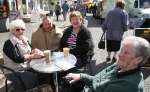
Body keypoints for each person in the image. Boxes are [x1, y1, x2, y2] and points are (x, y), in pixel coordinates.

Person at [65, 36, 150, 92]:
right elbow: (96, 80)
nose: (120, 55)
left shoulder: (127, 86)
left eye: (126, 53)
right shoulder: (119, 66)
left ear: (138, 59)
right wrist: (80, 76)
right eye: (121, 50)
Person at [3, 19, 44, 90]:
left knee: (42, 72)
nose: (20, 31)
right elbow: (17, 59)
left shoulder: (24, 39)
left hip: (25, 67)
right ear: (12, 30)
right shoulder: (9, 43)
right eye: (17, 29)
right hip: (13, 70)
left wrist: (35, 50)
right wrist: (32, 56)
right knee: (31, 77)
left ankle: (40, 88)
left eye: (22, 29)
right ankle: (32, 89)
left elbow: (30, 51)